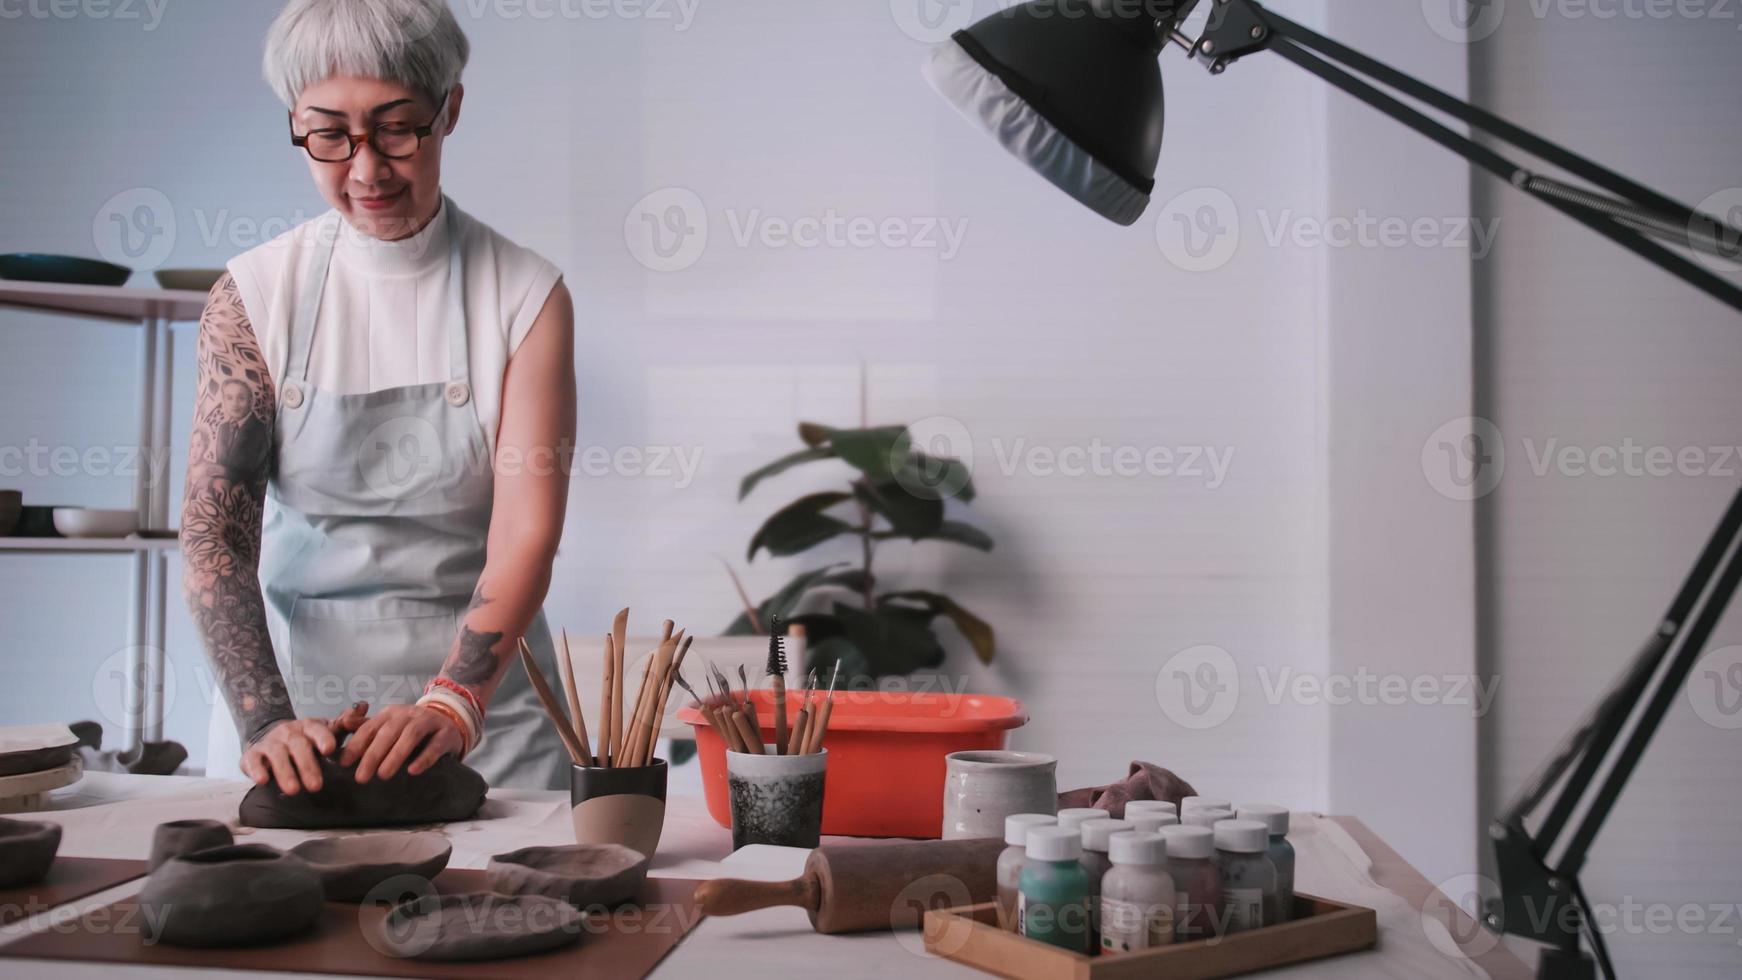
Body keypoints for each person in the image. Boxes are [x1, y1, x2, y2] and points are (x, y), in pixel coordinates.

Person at [181, 0, 576, 793]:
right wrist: (264, 720)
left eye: (397, 128)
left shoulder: (526, 296)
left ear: (449, 109)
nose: (366, 169)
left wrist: (453, 702)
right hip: (302, 726)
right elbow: (215, 537)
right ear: (295, 121)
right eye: (329, 134)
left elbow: (525, 535)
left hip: (488, 726)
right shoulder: (254, 297)